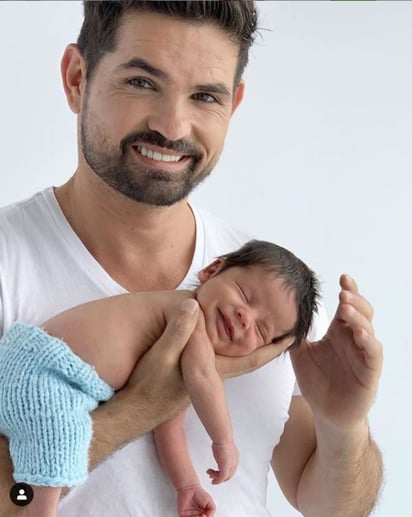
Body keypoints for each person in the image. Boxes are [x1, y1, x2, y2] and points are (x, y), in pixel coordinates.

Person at [0, 2, 383, 516]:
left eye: (205, 96)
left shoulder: (262, 297)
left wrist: (342, 426)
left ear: (234, 104)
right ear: (76, 78)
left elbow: (333, 506)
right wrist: (138, 409)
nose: (173, 126)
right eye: (141, 82)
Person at [0, 239, 320, 517]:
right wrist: (223, 441)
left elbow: (167, 424)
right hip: (42, 370)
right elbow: (203, 375)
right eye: (244, 294)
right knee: (61, 442)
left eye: (261, 330)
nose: (244, 317)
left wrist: (187, 484)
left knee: (60, 440)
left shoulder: (176, 358)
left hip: (61, 386)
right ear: (212, 270)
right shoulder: (187, 311)